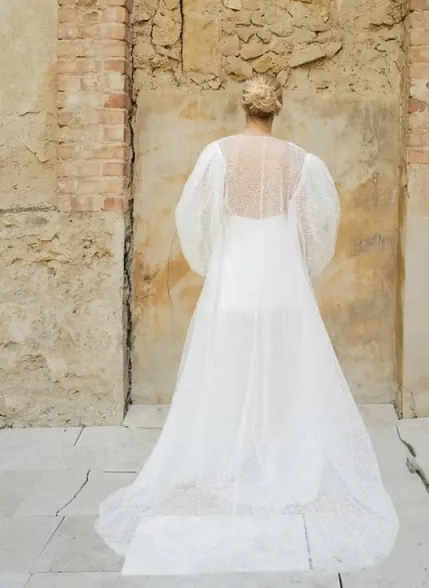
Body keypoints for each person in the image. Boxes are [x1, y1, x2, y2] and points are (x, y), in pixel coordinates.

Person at [95, 73, 399, 575]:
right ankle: (276, 456)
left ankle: (233, 457)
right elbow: (318, 229)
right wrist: (300, 267)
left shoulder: (217, 156)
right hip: (281, 283)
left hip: (234, 284)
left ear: (245, 108)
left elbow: (192, 218)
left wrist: (213, 263)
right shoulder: (300, 161)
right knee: (280, 375)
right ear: (277, 109)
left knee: (229, 373)